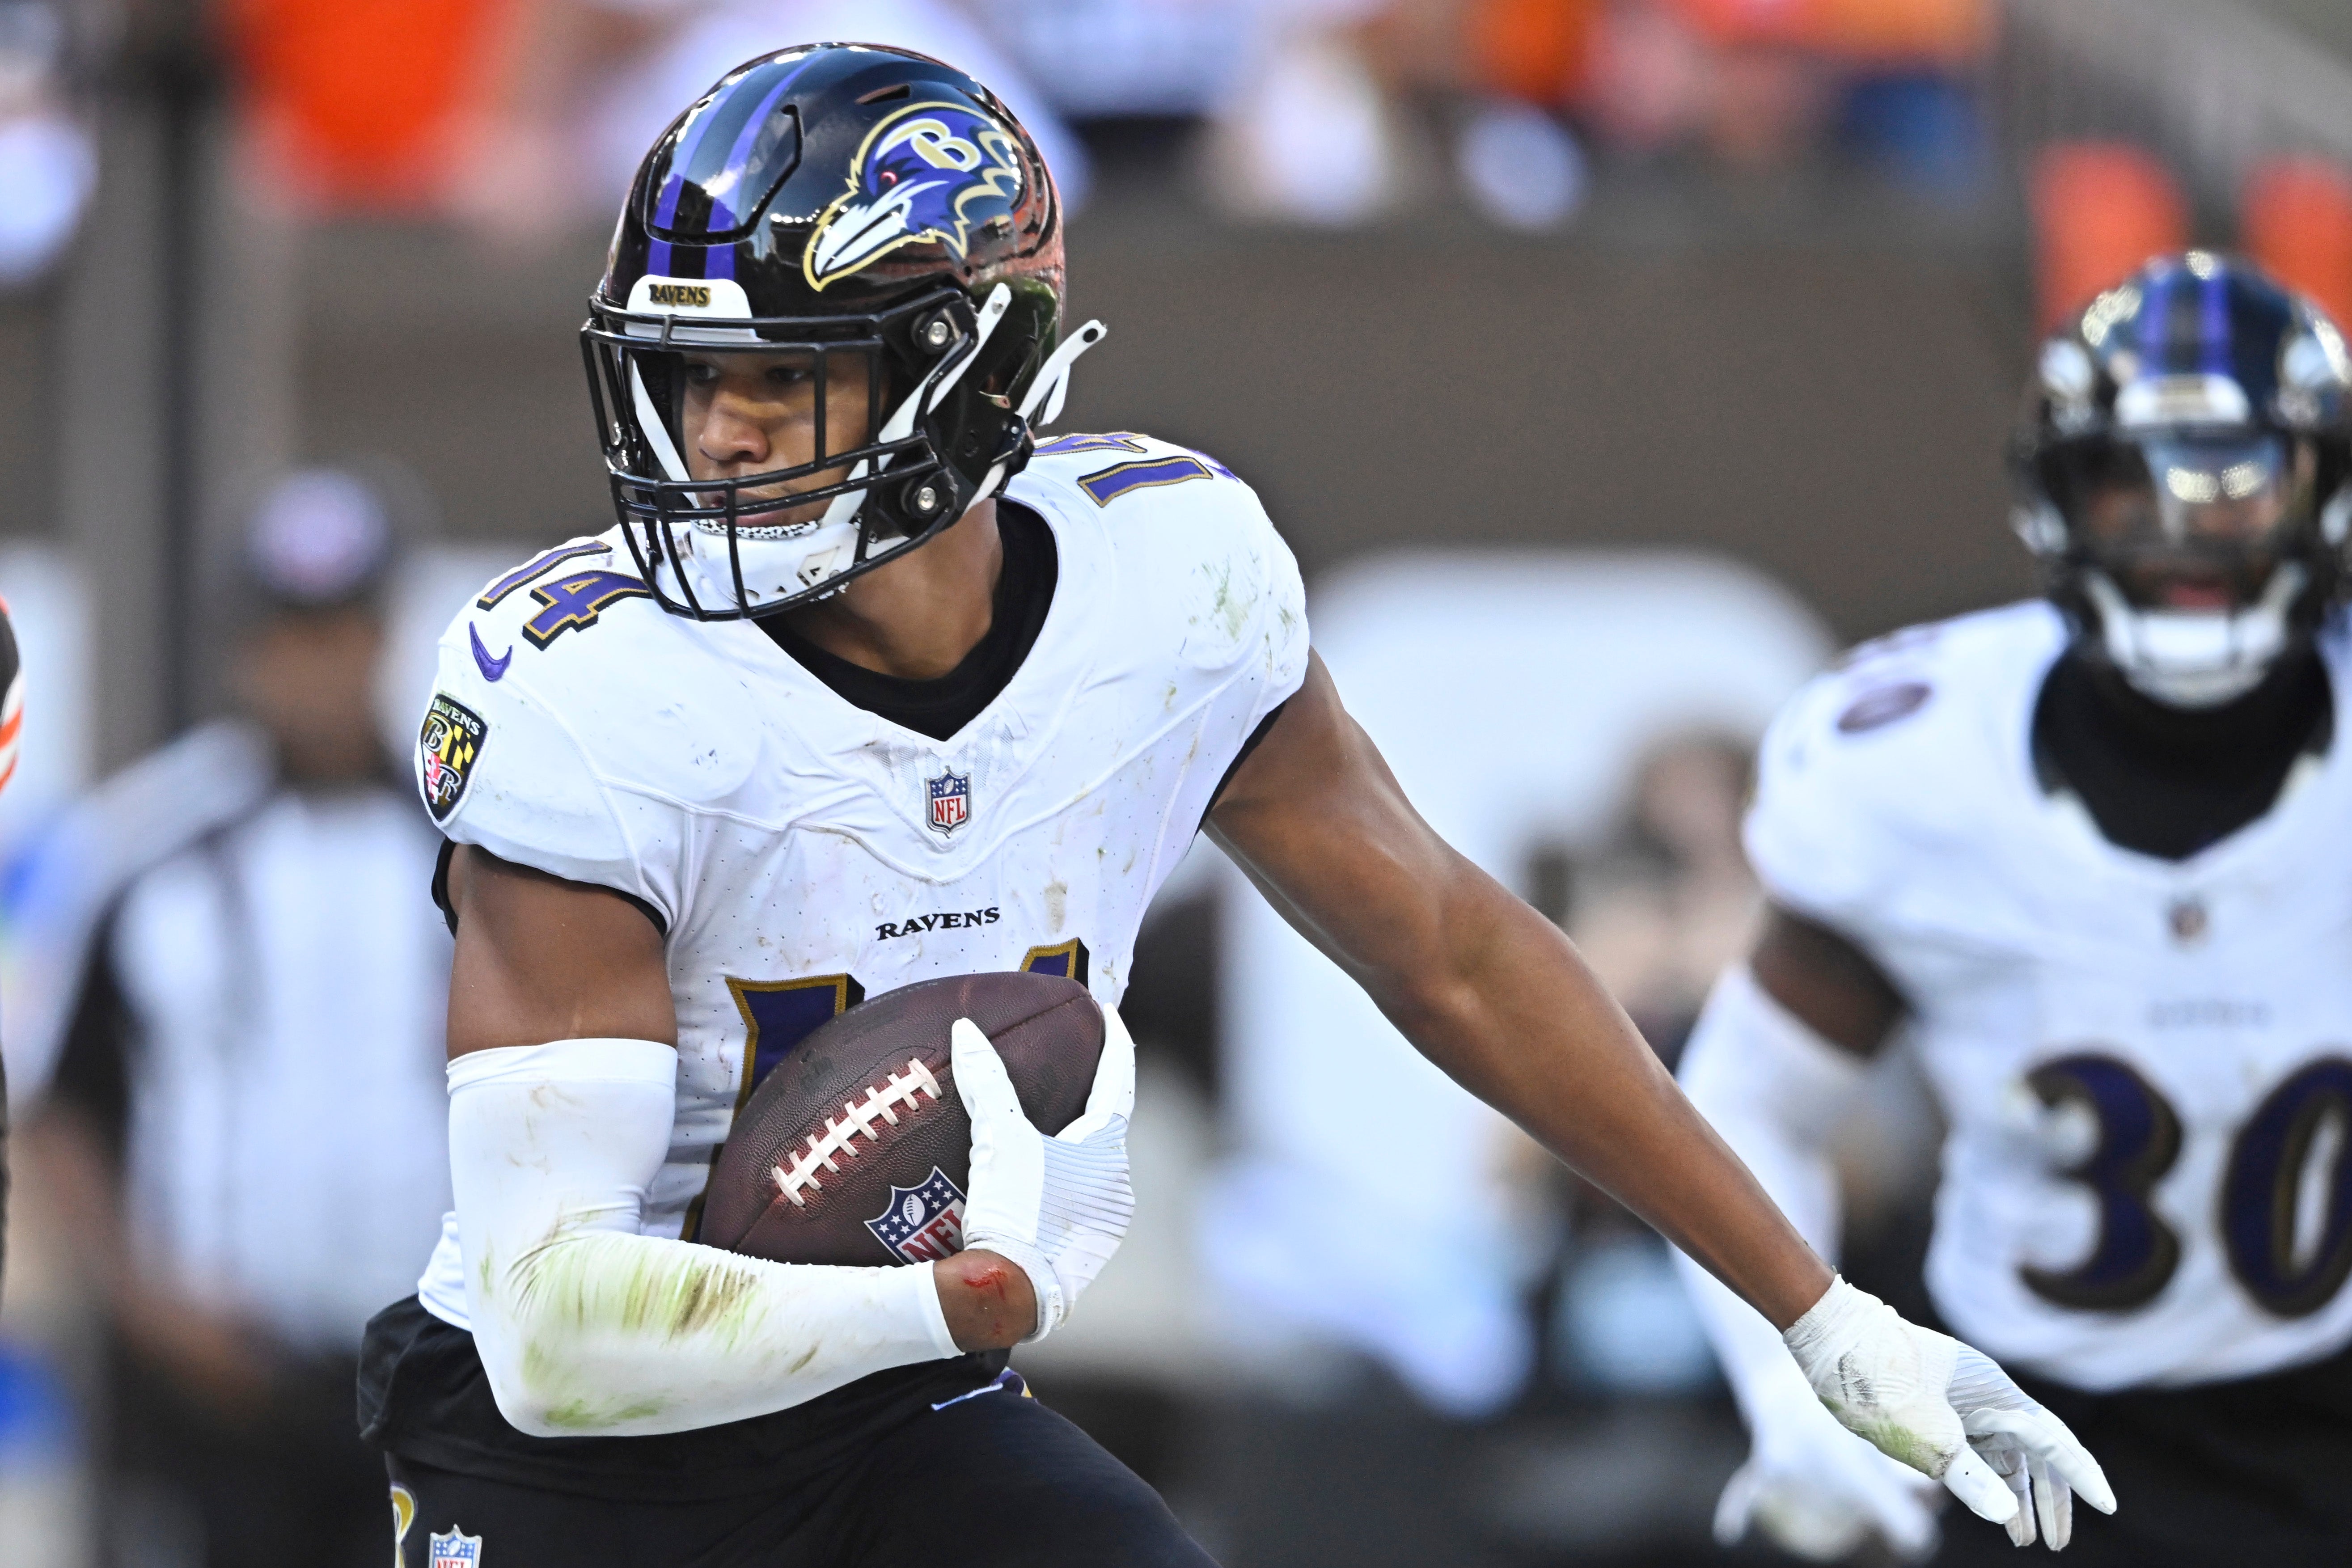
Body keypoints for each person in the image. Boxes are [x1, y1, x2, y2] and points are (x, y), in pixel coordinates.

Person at [357, 43, 2111, 1567]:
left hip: (894, 1407)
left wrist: (1815, 1311)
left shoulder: (1167, 586)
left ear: (967, 368)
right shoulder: (590, 694)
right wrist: (954, 1295)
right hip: (578, 1461)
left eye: (774, 375)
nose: (715, 439)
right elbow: (544, 1326)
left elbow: (1453, 952)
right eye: (687, 381)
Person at [1673, 252, 2352, 1567]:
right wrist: (1794, 1384)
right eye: (2129, 482)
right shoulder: (1918, 768)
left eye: (2234, 480)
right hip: (2020, 1437)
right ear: (2058, 496)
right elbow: (1749, 1101)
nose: (2180, 532)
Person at [20, 470, 452, 1568]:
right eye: (288, 635)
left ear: (384, 634)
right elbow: (57, 1104)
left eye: (342, 631)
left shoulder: (472, 850)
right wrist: (145, 1306)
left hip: (429, 1374)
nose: (316, 666)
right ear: (244, 647)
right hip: (206, 1385)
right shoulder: (142, 843)